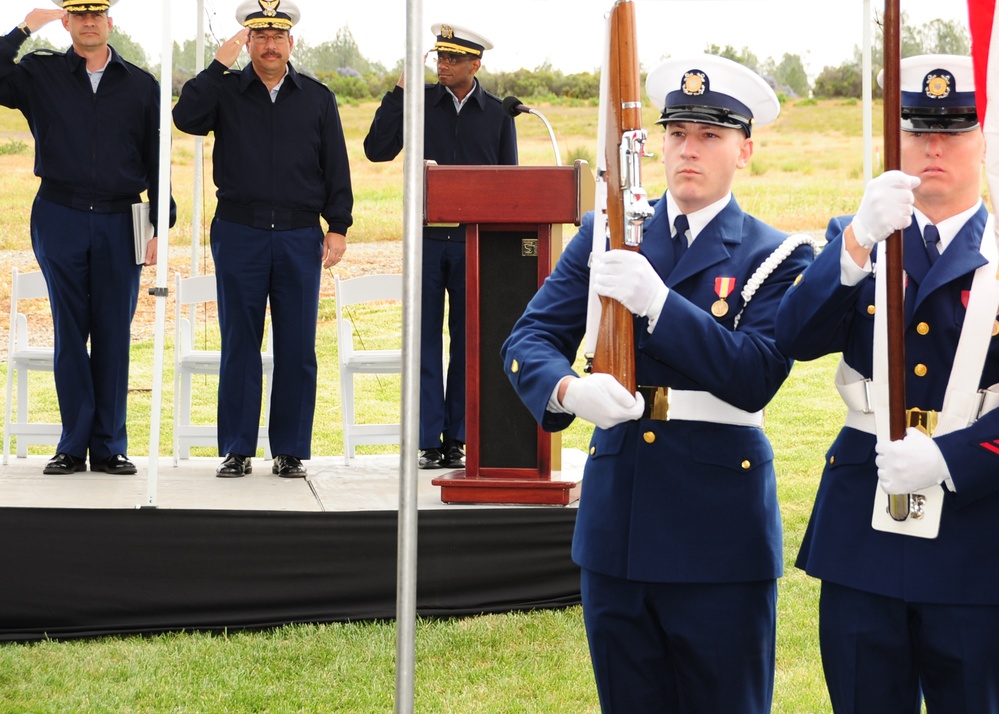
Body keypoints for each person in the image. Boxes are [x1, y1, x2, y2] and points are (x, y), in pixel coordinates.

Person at [501, 55, 814, 713]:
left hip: (717, 531)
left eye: (709, 135)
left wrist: (661, 307)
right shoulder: (605, 234)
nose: (688, 151)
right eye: (676, 134)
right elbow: (527, 342)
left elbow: (753, 375)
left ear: (744, 149)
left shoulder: (777, 255)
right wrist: (567, 391)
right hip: (620, 521)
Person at [775, 54, 999, 712]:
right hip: (861, 530)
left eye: (955, 128)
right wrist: (854, 247)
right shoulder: (858, 238)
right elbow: (791, 338)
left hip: (974, 528)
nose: (933, 146)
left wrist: (949, 456)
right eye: (917, 128)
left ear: (984, 138)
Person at [173, 0, 353, 479]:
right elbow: (185, 117)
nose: (269, 44)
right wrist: (217, 64)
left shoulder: (317, 97)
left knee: (297, 345)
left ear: (291, 42)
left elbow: (335, 164)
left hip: (297, 233)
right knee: (239, 342)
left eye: (278, 36)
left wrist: (338, 225)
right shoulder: (225, 91)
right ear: (246, 42)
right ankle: (237, 448)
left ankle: (290, 449)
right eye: (259, 36)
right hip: (239, 231)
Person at [0, 0, 174, 476]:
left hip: (123, 218)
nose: (90, 21)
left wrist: (159, 225)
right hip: (60, 214)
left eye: (97, 14)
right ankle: (72, 445)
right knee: (70, 333)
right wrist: (21, 29)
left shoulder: (141, 84)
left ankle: (111, 445)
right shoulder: (41, 74)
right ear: (68, 22)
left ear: (110, 22)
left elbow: (158, 160)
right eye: (80, 14)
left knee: (114, 332)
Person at [363, 22, 517, 470]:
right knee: (425, 340)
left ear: (476, 63)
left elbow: (509, 180)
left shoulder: (498, 112)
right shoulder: (418, 104)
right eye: (440, 57)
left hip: (474, 241)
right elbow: (375, 149)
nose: (443, 65)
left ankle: (460, 437)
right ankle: (428, 437)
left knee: (470, 341)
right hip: (427, 240)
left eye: (453, 59)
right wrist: (398, 92)